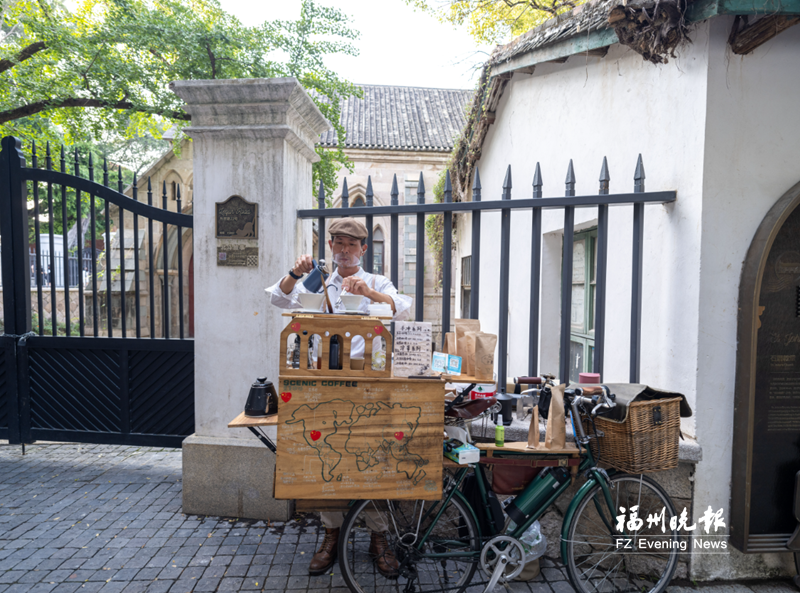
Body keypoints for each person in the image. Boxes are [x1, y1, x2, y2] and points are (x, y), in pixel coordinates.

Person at [267, 218, 412, 577]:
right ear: (330, 247)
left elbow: (400, 307)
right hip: (325, 384)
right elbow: (277, 297)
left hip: (371, 386)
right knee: (326, 458)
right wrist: (293, 272)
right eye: (338, 243)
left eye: (352, 244)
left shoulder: (376, 282)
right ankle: (331, 535)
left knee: (375, 459)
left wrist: (368, 294)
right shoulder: (318, 282)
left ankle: (379, 538)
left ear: (364, 250)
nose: (344, 250)